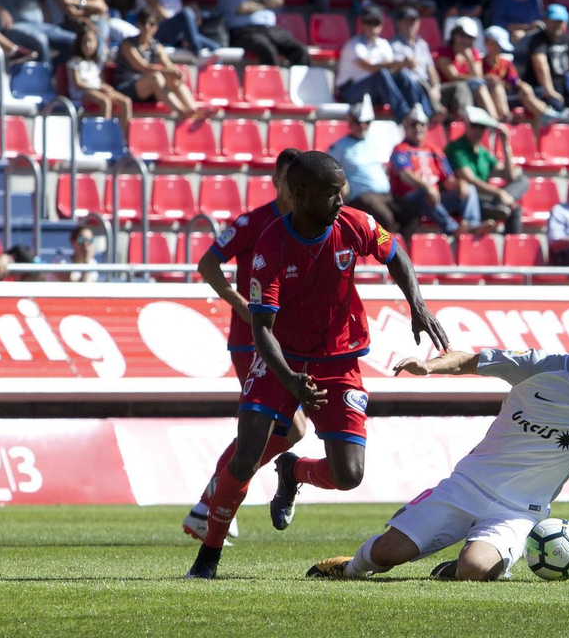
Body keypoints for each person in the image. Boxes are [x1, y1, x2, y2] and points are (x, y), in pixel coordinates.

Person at [307, 304, 569, 581]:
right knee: (385, 556)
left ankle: (473, 564)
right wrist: (429, 366)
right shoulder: (538, 367)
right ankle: (349, 566)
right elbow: (472, 359)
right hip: (466, 486)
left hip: (518, 510)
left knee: (472, 572)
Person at [184, 150, 449, 578]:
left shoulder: (355, 224)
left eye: (341, 191)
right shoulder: (270, 244)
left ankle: (293, 470)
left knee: (349, 475)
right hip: (279, 360)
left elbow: (395, 253)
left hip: (338, 359)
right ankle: (208, 555)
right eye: (330, 194)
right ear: (301, 193)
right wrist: (289, 379)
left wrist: (417, 305)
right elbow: (262, 329)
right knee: (246, 454)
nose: (340, 201)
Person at [182, 148, 306, 542]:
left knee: (289, 431)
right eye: (289, 179)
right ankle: (210, 503)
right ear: (275, 180)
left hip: (285, 341)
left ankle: (211, 502)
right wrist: (240, 304)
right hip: (252, 340)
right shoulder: (254, 222)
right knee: (286, 428)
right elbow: (208, 263)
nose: (295, 188)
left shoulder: (303, 223)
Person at [390, 106, 485, 234]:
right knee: (424, 192)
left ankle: (472, 225)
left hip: (434, 199)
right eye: (414, 124)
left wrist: (460, 183)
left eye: (422, 124)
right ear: (407, 127)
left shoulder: (435, 150)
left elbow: (447, 180)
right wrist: (426, 186)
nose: (418, 128)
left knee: (469, 188)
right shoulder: (400, 149)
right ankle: (453, 229)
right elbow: (404, 175)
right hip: (409, 201)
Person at [335, 6, 433, 123]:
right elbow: (371, 68)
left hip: (373, 91)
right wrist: (402, 63)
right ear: (362, 24)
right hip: (350, 91)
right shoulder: (353, 45)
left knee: (403, 76)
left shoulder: (383, 44)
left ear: (381, 25)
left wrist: (403, 65)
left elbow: (391, 69)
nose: (372, 26)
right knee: (381, 75)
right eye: (368, 22)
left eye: (375, 23)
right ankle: (404, 115)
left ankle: (425, 114)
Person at [445, 108, 530, 232]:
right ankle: (498, 206)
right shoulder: (456, 148)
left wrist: (506, 143)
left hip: (487, 198)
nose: (478, 131)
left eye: (482, 127)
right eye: (474, 126)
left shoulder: (483, 152)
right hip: (468, 199)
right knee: (509, 207)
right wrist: (499, 193)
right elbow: (470, 180)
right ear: (467, 125)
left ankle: (514, 246)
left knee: (522, 181)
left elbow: (509, 175)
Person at [519, 3, 569, 126]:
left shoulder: (566, 40)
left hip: (562, 91)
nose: (557, 25)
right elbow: (541, 66)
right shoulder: (538, 40)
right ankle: (551, 142)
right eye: (554, 21)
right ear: (546, 21)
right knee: (556, 106)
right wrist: (549, 91)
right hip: (541, 92)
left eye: (560, 22)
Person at [113, 11, 200, 119]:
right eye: (143, 22)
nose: (147, 26)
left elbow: (168, 65)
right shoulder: (128, 44)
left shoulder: (156, 46)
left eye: (151, 24)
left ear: (156, 27)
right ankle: (182, 113)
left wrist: (176, 72)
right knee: (155, 77)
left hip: (150, 89)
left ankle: (193, 109)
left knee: (173, 78)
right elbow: (143, 67)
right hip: (127, 88)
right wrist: (168, 71)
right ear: (137, 24)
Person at [330, 98, 400, 231]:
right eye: (358, 122)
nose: (362, 126)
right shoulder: (340, 146)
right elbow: (329, 169)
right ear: (350, 122)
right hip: (361, 197)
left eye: (366, 122)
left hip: (385, 195)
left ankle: (406, 246)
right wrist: (343, 183)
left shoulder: (373, 141)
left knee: (411, 212)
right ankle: (390, 250)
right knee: (386, 218)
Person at [68, 25, 130, 124]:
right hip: (83, 93)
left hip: (97, 90)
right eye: (85, 42)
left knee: (126, 101)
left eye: (91, 41)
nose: (88, 45)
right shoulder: (74, 62)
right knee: (105, 101)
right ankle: (103, 134)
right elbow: (78, 83)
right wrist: (98, 88)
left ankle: (124, 136)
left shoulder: (97, 63)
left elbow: (101, 81)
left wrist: (105, 88)